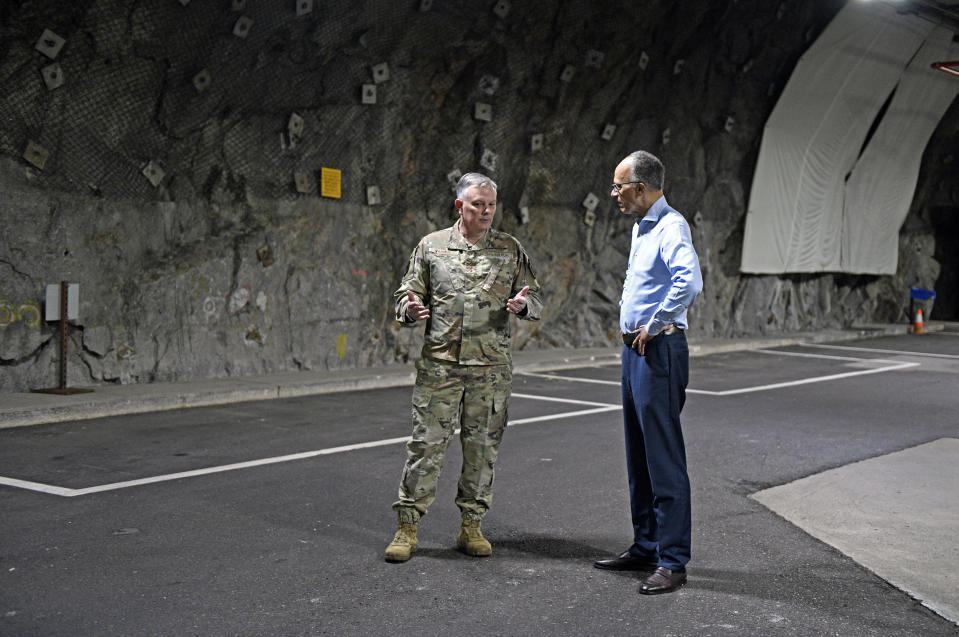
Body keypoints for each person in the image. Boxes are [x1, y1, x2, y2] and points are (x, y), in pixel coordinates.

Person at [385, 172, 543, 563]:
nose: (486, 211)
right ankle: (407, 527)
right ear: (460, 206)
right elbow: (406, 294)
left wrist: (525, 306)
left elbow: (534, 296)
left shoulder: (509, 249)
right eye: (477, 204)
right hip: (440, 367)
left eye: (491, 205)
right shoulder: (432, 247)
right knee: (425, 447)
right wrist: (410, 308)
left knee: (482, 450)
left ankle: (471, 525)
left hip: (490, 370)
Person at [594, 151, 703, 594]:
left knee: (663, 457)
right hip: (635, 353)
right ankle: (647, 545)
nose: (614, 193)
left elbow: (689, 281)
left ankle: (673, 561)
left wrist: (656, 322)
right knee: (638, 455)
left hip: (657, 350)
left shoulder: (671, 226)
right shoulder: (643, 227)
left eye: (619, 186)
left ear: (641, 187)